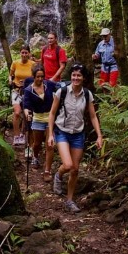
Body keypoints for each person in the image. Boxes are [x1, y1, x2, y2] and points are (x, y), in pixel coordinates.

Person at [47, 63, 103, 213]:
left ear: (83, 78)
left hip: (78, 133)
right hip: (62, 131)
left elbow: (92, 116)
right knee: (68, 165)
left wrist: (99, 136)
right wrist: (50, 134)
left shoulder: (87, 94)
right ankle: (58, 176)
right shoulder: (62, 92)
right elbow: (52, 114)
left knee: (75, 170)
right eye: (73, 75)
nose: (76, 78)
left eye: (79, 75)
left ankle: (69, 200)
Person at [23, 64, 60, 182]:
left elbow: (61, 88)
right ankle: (35, 156)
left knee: (50, 144)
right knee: (37, 143)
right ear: (33, 77)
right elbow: (26, 106)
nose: (40, 79)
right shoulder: (29, 90)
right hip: (37, 118)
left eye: (42, 76)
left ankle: (47, 171)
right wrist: (28, 114)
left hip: (50, 117)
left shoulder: (49, 84)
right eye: (38, 77)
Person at [9, 45, 34, 146]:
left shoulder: (32, 64)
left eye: (26, 53)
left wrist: (27, 81)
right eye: (22, 53)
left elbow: (35, 78)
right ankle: (16, 136)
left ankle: (23, 135)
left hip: (27, 91)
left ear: (29, 53)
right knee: (17, 113)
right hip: (16, 90)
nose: (24, 55)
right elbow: (10, 74)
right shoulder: (15, 63)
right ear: (20, 53)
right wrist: (10, 80)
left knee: (26, 114)